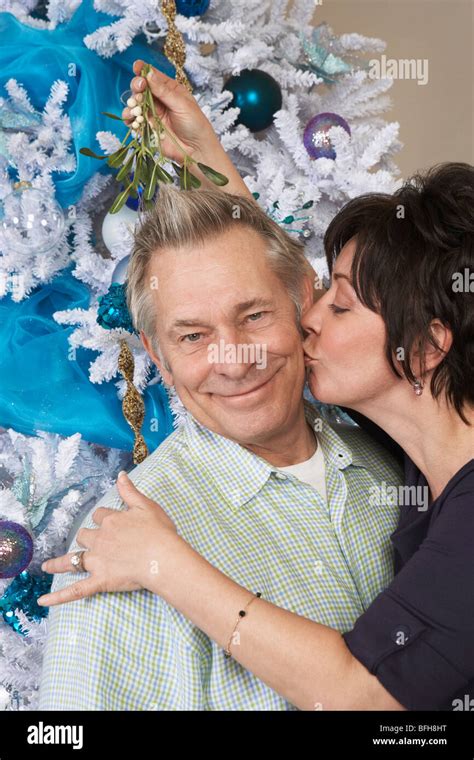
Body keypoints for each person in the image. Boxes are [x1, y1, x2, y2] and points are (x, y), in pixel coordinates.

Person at [38, 64, 473, 711]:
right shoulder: (418, 439)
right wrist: (211, 163)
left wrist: (166, 564)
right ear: (157, 352)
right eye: (191, 337)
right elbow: (256, 282)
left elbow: (363, 694)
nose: (309, 319)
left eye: (339, 303)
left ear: (429, 347)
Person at [37, 183, 402, 711]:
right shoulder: (115, 550)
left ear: (304, 300)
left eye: (254, 316)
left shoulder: (395, 454)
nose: (234, 361)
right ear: (158, 358)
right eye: (192, 337)